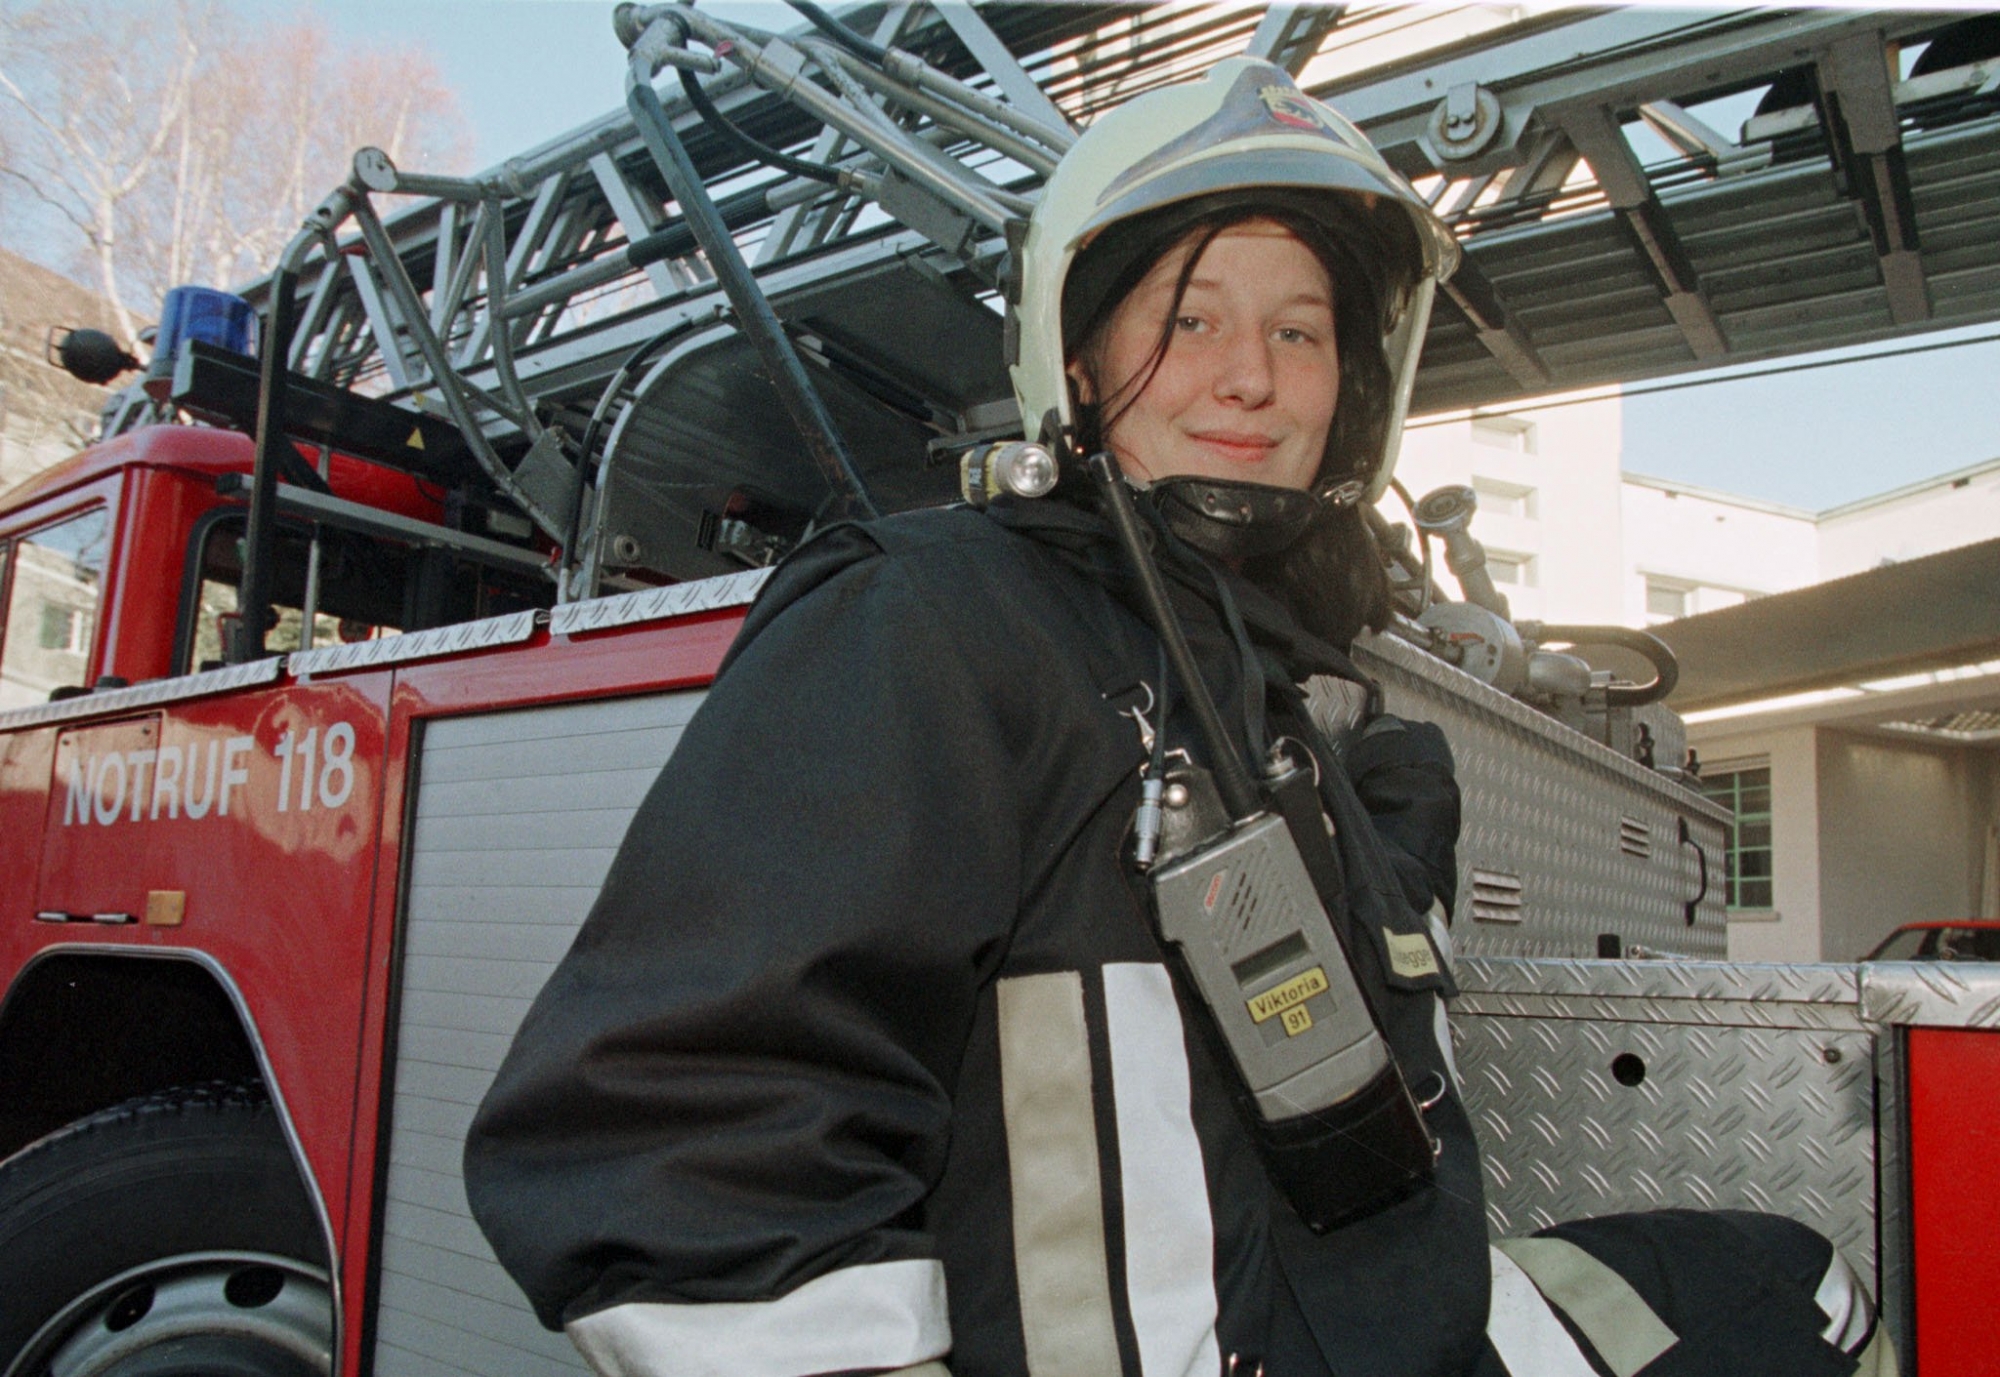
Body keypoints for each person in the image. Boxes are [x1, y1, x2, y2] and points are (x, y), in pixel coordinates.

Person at [465, 58, 1889, 1377]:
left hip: (1398, 1336)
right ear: (1077, 364)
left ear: (1354, 387)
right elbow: (675, 1143)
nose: (1251, 378)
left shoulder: (1286, 695)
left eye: (1299, 330)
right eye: (1189, 319)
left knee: (1803, 1289)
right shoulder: (937, 623)